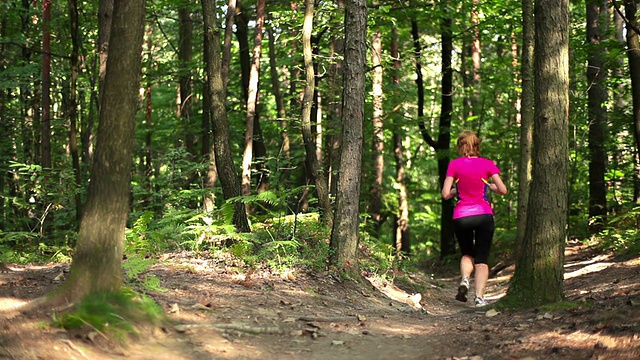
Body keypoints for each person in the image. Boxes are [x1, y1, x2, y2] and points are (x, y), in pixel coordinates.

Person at [441, 130, 507, 307]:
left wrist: (457, 191)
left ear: (460, 146)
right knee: (482, 258)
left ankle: (464, 279)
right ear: (477, 145)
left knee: (467, 253)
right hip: (483, 215)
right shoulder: (487, 164)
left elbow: (446, 194)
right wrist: (492, 188)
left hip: (462, 216)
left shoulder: (454, 165)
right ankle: (479, 298)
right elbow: (503, 190)